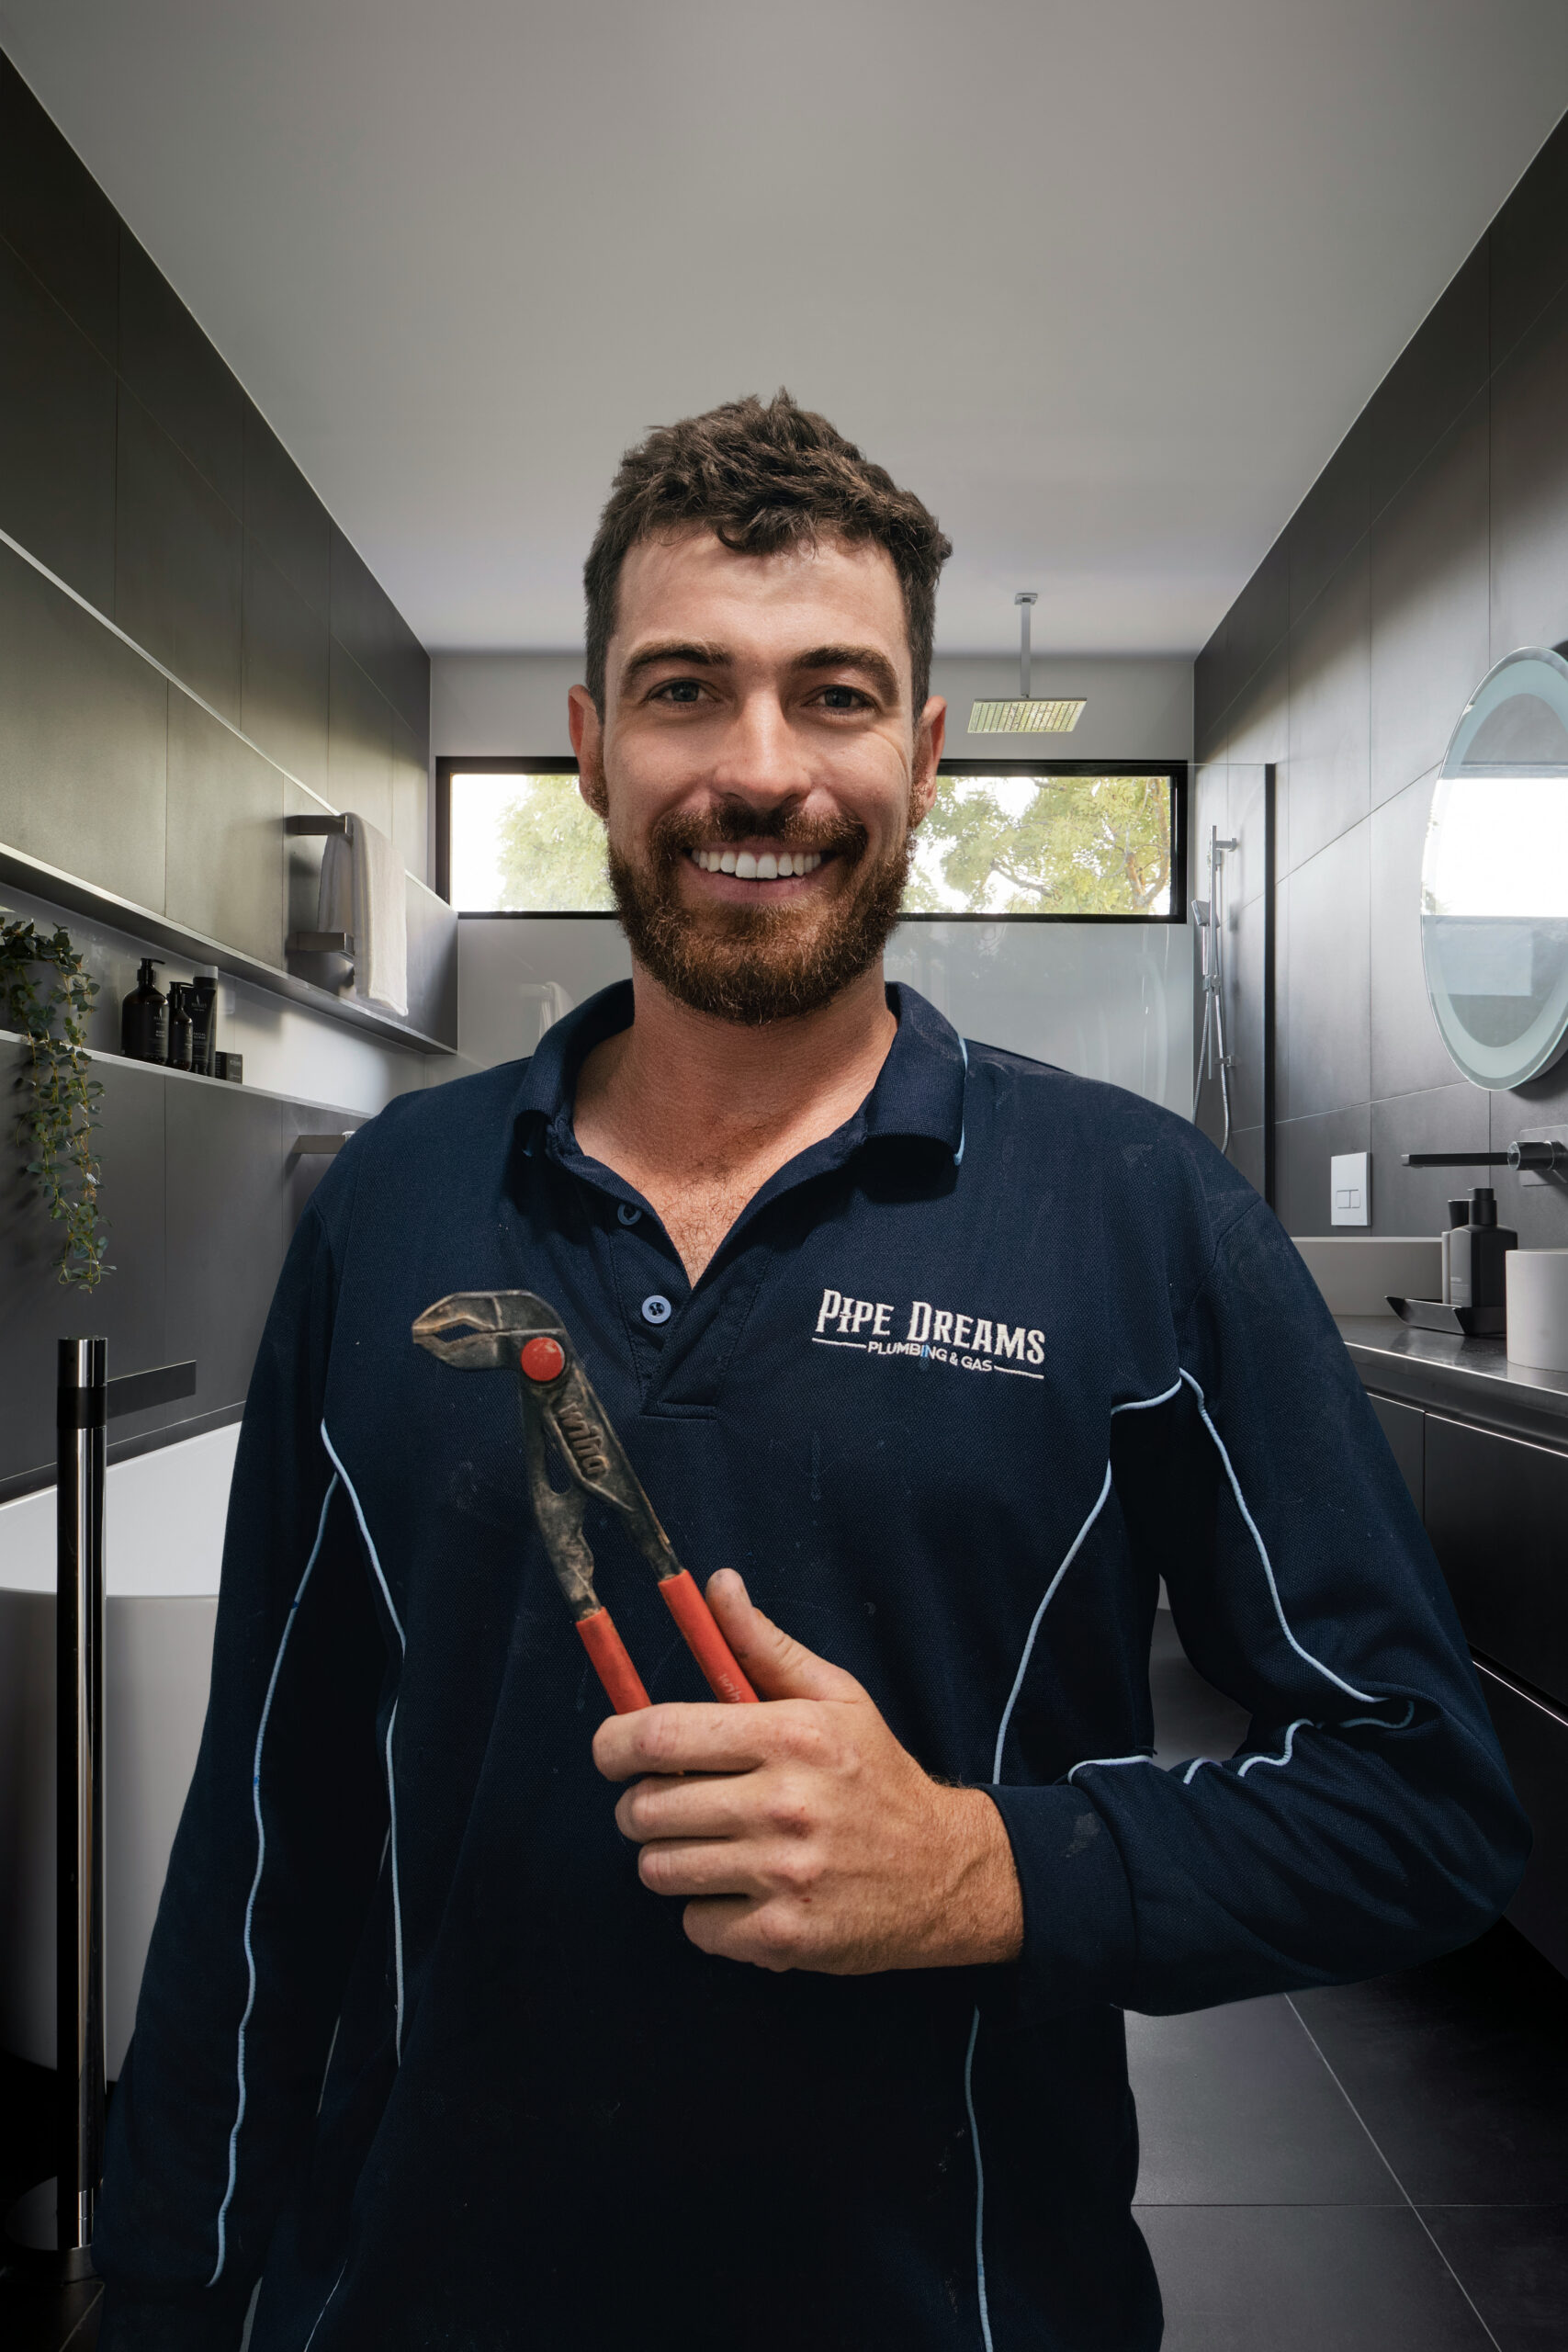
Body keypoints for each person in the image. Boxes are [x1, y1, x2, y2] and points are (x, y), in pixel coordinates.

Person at [96, 392, 1527, 2351]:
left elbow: (1422, 1800)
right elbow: (272, 1819)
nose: (757, 769)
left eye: (831, 694)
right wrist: (170, 2282)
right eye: (686, 688)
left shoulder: (1137, 1214)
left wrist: (982, 1861)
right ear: (591, 747)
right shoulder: (393, 1210)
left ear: (922, 753)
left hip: (952, 2303)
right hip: (418, 2295)